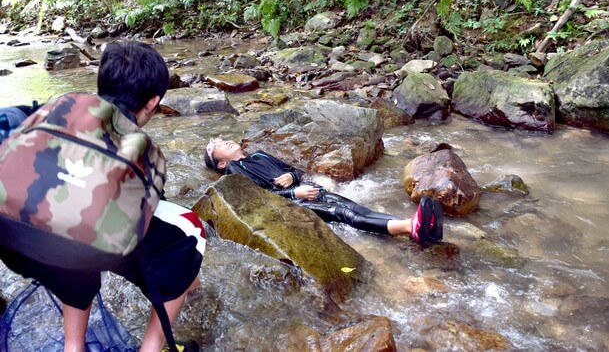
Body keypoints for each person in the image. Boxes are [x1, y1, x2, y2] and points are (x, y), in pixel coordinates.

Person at [0, 41, 205, 352]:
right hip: (81, 248)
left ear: (100, 82)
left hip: (10, 237)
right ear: (151, 103)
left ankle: (73, 346)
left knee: (66, 227)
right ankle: (150, 348)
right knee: (189, 233)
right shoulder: (140, 145)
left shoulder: (61, 107)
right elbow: (142, 216)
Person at [204, 138, 443, 244]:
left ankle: (415, 227)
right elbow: (258, 196)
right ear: (221, 163)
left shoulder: (257, 154)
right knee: (341, 213)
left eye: (221, 139)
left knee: (353, 206)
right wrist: (292, 194)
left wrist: (291, 176)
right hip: (293, 203)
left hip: (306, 189)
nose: (222, 141)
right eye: (216, 147)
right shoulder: (234, 170)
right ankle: (410, 227)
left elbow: (294, 170)